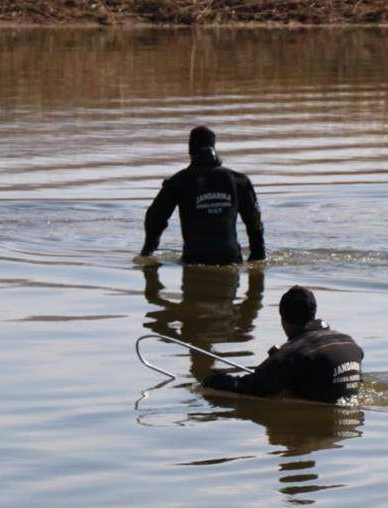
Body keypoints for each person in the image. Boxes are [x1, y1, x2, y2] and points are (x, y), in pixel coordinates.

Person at [202, 286, 363, 403]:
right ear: (313, 313)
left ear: (283, 319)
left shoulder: (293, 352)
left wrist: (215, 381)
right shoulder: (349, 341)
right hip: (352, 420)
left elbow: (253, 387)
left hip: (326, 413)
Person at [141, 126, 264, 266]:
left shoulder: (178, 181)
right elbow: (255, 223)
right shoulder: (239, 181)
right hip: (231, 260)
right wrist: (257, 257)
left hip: (194, 260)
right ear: (214, 147)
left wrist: (148, 251)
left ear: (190, 150)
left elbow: (154, 218)